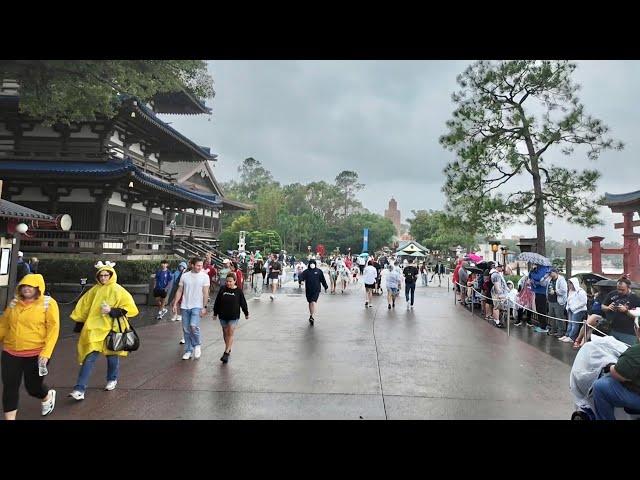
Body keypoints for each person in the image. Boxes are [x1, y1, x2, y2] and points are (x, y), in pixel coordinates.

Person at [69, 261, 139, 400]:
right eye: (101, 275)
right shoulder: (94, 290)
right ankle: (79, 389)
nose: (103, 278)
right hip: (95, 329)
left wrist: (111, 310)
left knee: (112, 357)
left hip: (111, 330)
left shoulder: (119, 290)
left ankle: (112, 378)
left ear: (111, 275)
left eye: (106, 275)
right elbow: (84, 306)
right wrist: (80, 323)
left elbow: (130, 309)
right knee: (89, 358)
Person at [0, 274, 59, 419]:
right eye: (24, 286)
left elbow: (53, 330)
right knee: (9, 388)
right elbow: (4, 325)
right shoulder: (14, 303)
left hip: (36, 354)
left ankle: (47, 396)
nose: (26, 288)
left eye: (30, 286)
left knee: (33, 388)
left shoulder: (48, 303)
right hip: (10, 352)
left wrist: (46, 353)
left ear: (38, 288)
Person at [592, 315, 640, 420]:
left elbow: (619, 375)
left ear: (638, 330)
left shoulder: (636, 351)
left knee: (600, 386)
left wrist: (610, 366)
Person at [172, 257, 210, 360]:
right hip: (185, 305)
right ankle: (188, 350)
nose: (200, 267)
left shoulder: (205, 276)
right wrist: (175, 303)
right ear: (192, 265)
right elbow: (180, 290)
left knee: (193, 326)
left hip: (197, 305)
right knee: (186, 329)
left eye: (201, 266)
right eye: (198, 265)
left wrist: (204, 306)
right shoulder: (184, 276)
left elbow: (206, 292)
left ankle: (197, 344)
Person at [213, 272, 249, 363]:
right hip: (223, 315)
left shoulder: (238, 291)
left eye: (230, 281)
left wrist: (246, 313)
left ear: (235, 281)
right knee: (225, 333)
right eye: (227, 281)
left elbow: (243, 303)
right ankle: (228, 348)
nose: (228, 283)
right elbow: (217, 301)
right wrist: (215, 313)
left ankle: (226, 353)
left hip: (233, 316)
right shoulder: (222, 289)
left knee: (230, 332)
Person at [601, 276, 640, 345]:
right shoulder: (612, 294)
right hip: (613, 329)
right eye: (618, 289)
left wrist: (626, 311)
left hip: (628, 332)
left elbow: (637, 317)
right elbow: (602, 306)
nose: (619, 291)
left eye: (622, 290)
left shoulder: (635, 298)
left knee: (627, 352)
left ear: (628, 288)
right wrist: (608, 307)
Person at [297, 259, 328, 325]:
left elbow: (323, 280)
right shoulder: (307, 271)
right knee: (310, 302)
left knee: (313, 302)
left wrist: (325, 287)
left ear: (315, 264)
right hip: (308, 289)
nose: (312, 264)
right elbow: (300, 276)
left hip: (316, 289)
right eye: (311, 263)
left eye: (313, 263)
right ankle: (311, 315)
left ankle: (313, 316)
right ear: (309, 264)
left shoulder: (319, 271)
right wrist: (301, 281)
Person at [560, 277, 588, 344]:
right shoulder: (570, 291)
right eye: (569, 284)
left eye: (570, 284)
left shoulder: (581, 291)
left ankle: (572, 337)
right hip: (570, 309)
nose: (569, 285)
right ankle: (567, 335)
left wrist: (575, 307)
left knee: (574, 324)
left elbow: (584, 302)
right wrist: (567, 307)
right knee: (570, 323)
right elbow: (568, 300)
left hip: (578, 310)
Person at [544, 268, 568, 338]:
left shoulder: (561, 280)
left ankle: (561, 332)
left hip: (558, 301)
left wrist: (555, 291)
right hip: (550, 300)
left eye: (550, 273)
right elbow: (543, 283)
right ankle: (553, 329)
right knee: (551, 316)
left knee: (559, 317)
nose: (549, 274)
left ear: (555, 272)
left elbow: (564, 290)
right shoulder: (549, 279)